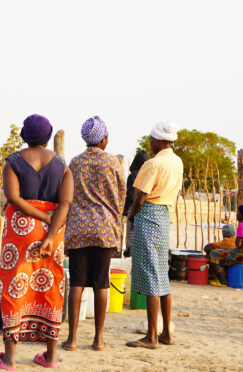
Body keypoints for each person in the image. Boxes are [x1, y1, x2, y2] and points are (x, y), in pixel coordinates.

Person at [0, 114, 73, 371]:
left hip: (20, 232)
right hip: (53, 231)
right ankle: (50, 357)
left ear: (24, 136)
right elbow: (65, 203)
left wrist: (38, 216)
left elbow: (13, 197)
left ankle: (10, 359)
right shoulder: (62, 165)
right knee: (50, 288)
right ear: (48, 137)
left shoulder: (13, 162)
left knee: (13, 287)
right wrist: (49, 232)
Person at [62, 116, 126, 352]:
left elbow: (66, 194)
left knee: (77, 282)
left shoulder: (75, 163)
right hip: (104, 229)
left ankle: (72, 339)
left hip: (78, 228)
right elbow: (121, 197)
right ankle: (98, 339)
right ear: (104, 139)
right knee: (101, 283)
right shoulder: (112, 163)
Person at [125, 121, 183, 350]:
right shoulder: (177, 162)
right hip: (163, 217)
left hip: (149, 216)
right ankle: (167, 332)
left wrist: (130, 216)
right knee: (161, 276)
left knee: (151, 277)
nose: (149, 142)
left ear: (159, 140)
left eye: (151, 138)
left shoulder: (153, 163)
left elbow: (140, 198)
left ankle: (151, 336)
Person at [208, 204, 243, 285]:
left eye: (238, 212)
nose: (236, 214)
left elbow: (238, 244)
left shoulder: (242, 225)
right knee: (224, 254)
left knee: (214, 254)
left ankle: (223, 280)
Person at [123, 151, 150, 257]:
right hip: (146, 207)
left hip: (133, 207)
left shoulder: (132, 176)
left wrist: (126, 209)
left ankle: (130, 250)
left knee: (131, 231)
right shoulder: (149, 174)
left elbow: (131, 195)